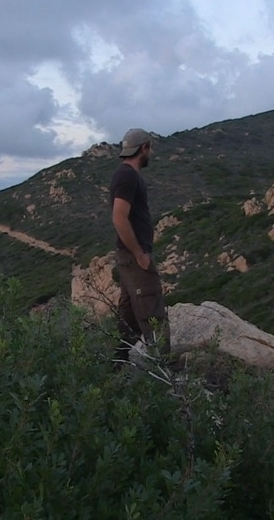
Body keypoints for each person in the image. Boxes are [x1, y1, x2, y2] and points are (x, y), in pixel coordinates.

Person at [109, 128, 172, 369]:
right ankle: (165, 371)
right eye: (150, 148)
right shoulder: (128, 176)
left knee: (129, 315)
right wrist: (139, 254)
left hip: (127, 256)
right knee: (152, 310)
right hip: (134, 256)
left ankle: (116, 366)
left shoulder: (125, 175)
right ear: (144, 148)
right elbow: (119, 218)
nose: (151, 153)